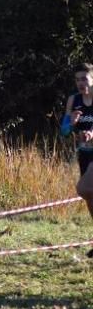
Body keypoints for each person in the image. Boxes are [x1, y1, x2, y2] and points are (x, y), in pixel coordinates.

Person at [61, 62, 93, 245]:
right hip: (84, 153)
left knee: (83, 188)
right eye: (77, 80)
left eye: (85, 79)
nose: (81, 83)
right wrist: (71, 124)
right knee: (89, 197)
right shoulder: (73, 101)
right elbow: (64, 133)